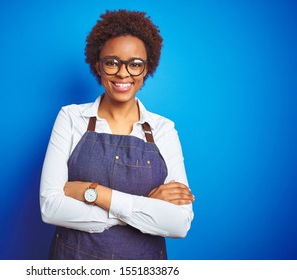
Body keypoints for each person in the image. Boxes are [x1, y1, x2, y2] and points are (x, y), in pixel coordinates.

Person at [39, 9, 194, 260]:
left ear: (147, 69)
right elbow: (51, 208)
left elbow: (179, 224)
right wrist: (143, 210)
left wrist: (96, 194)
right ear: (98, 66)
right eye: (112, 62)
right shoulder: (70, 118)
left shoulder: (164, 130)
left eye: (135, 64)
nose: (123, 74)